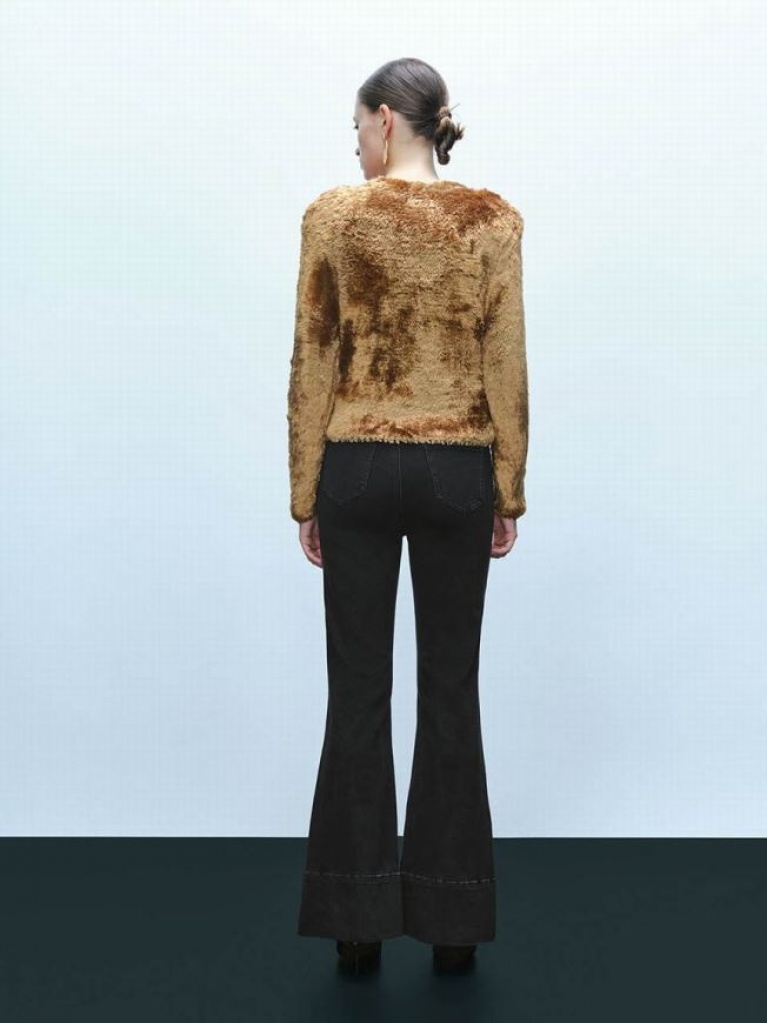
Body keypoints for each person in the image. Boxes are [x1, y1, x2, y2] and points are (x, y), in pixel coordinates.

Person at [287, 57, 529, 976]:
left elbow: (313, 357)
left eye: (357, 127)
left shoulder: (332, 218)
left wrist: (305, 489)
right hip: (456, 468)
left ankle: (356, 922)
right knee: (451, 689)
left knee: (357, 691)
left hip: (355, 466)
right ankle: (453, 924)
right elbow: (505, 360)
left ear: (387, 121)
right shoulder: (491, 221)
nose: (355, 144)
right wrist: (506, 486)